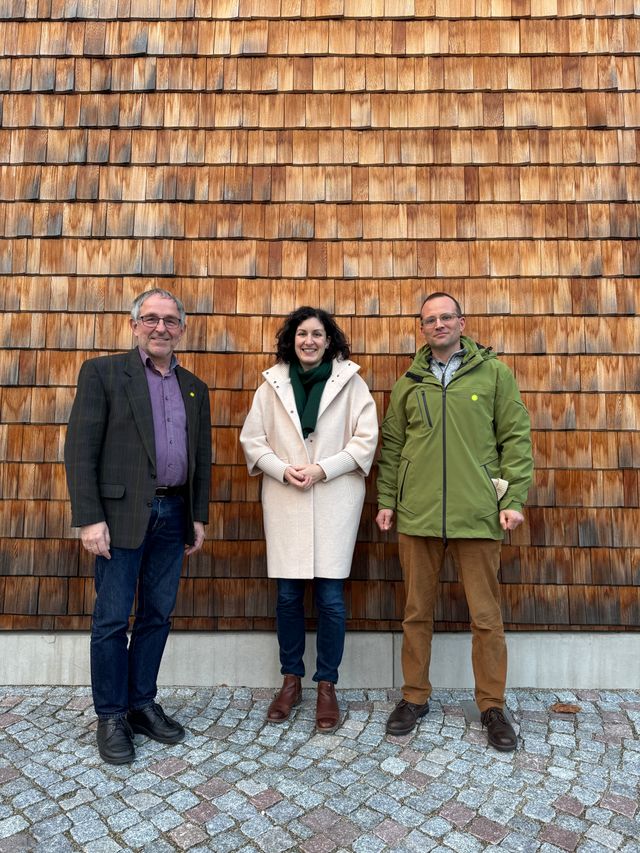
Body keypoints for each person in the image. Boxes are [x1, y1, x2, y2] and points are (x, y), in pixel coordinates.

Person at [376, 292, 533, 751]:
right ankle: (414, 697)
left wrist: (514, 497)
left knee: (486, 617)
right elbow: (392, 445)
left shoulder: (494, 374)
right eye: (431, 319)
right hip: (418, 515)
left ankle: (492, 705)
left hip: (478, 513)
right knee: (415, 613)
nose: (439, 324)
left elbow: (515, 437)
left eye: (447, 317)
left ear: (462, 323)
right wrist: (388, 500)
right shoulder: (410, 381)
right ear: (421, 328)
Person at [64, 288, 211, 765]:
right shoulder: (104, 373)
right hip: (119, 517)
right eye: (151, 319)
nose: (160, 328)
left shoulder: (194, 387)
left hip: (172, 517)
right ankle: (110, 714)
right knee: (110, 621)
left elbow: (200, 461)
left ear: (181, 329)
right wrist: (89, 518)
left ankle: (141, 703)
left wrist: (197, 515)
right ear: (134, 325)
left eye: (170, 321)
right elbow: (80, 450)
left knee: (157, 616)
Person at [240, 307, 378, 732]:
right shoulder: (271, 384)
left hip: (334, 496)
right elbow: (252, 439)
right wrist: (283, 470)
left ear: (329, 340)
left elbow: (366, 438)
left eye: (318, 334)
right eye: (302, 334)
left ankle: (327, 686)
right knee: (287, 598)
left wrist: (324, 469)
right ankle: (291, 680)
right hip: (286, 497)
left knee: (331, 600)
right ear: (292, 339)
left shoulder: (352, 383)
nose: (309, 341)